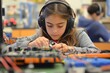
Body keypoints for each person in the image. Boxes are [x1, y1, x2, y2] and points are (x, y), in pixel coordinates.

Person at [2, 0, 100, 54]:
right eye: (49, 25)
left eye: (60, 25)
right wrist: (30, 44)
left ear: (69, 23)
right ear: (43, 23)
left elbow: (96, 51)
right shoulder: (40, 34)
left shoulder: (78, 34)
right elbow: (5, 50)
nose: (54, 31)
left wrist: (70, 49)